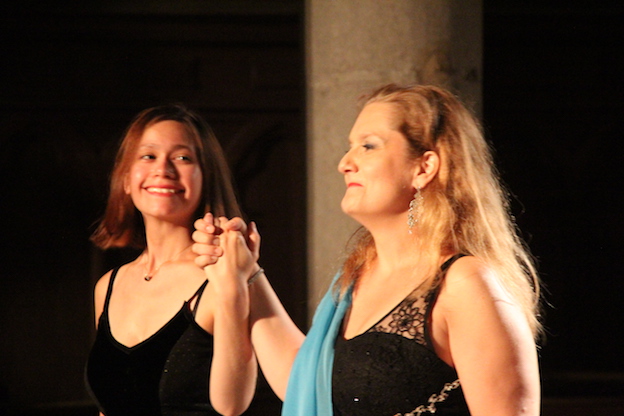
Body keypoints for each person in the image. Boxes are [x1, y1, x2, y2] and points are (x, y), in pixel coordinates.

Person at [193, 84, 542, 416]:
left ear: (424, 167)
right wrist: (246, 273)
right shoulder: (354, 280)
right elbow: (304, 383)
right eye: (350, 145)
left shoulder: (466, 283)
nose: (345, 162)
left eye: (368, 146)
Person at [85, 104, 257, 416]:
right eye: (148, 156)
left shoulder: (222, 276)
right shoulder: (108, 286)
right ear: (125, 179)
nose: (163, 169)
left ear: (206, 177)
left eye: (183, 157)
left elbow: (233, 405)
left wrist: (234, 285)